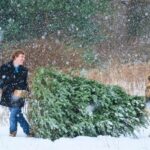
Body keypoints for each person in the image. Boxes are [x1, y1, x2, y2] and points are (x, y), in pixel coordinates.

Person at [0, 50, 33, 137]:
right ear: (15, 57)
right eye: (21, 57)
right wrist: (4, 85)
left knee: (14, 113)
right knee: (18, 114)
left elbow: (25, 83)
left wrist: (27, 92)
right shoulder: (5, 67)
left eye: (24, 57)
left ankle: (12, 131)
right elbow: (1, 79)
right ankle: (28, 130)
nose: (23, 59)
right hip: (8, 93)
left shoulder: (24, 70)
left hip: (19, 93)